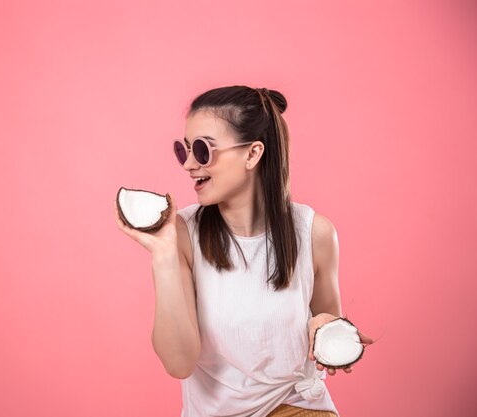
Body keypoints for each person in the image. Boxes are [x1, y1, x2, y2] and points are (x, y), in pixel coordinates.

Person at [114, 85, 374, 417]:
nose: (189, 164)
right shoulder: (181, 233)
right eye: (183, 150)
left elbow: (324, 327)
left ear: (252, 154)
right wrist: (162, 256)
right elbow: (179, 363)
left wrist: (325, 328)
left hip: (296, 407)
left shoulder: (315, 233)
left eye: (203, 150)